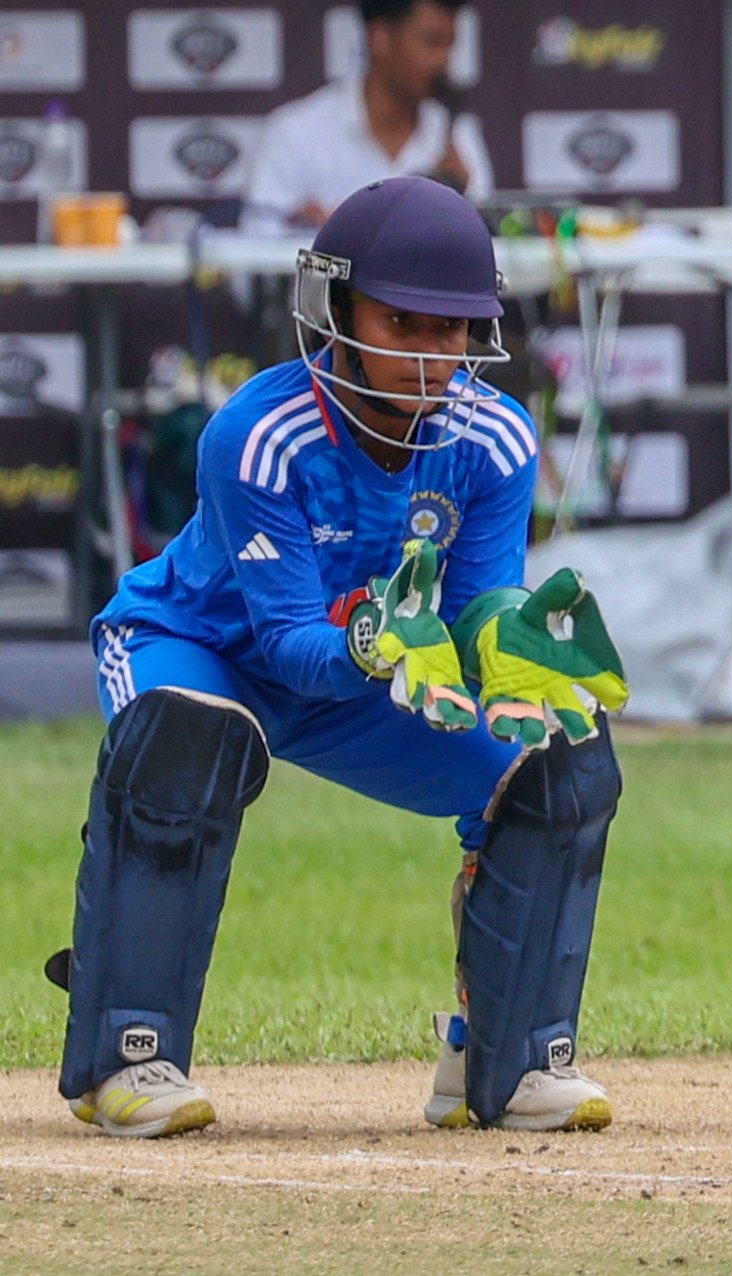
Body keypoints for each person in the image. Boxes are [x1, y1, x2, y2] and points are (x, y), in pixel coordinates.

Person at [62, 176, 628, 1138]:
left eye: (455, 329)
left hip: (369, 672)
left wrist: (507, 650)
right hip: (203, 649)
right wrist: (375, 641)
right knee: (188, 748)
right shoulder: (257, 433)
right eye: (405, 322)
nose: (434, 356)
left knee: (561, 762)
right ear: (335, 310)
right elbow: (285, 642)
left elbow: (476, 601)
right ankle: (128, 1055)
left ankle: (506, 1056)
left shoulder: (493, 438)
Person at [245, 0, 493, 234]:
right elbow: (254, 251)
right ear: (380, 39)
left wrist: (461, 204)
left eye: (450, 45)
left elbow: (485, 254)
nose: (443, 61)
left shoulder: (458, 136)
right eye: (432, 42)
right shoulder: (295, 133)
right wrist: (315, 231)